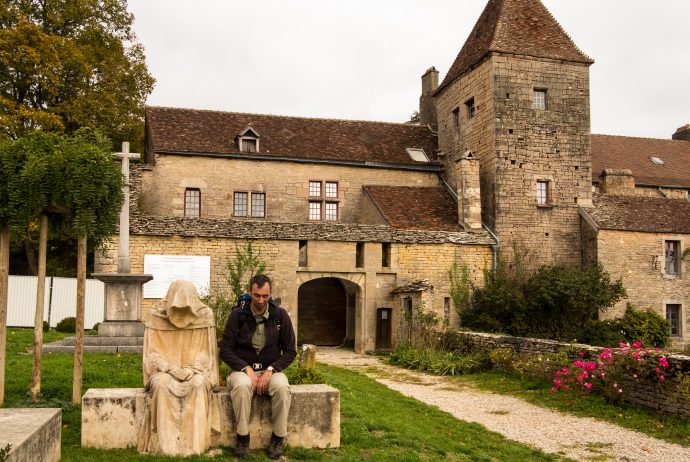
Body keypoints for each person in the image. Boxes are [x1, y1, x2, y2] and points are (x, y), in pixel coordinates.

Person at [137, 280, 220, 456]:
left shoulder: (205, 315)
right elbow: (151, 354)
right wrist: (169, 368)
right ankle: (166, 447)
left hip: (194, 372)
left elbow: (208, 353)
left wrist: (194, 369)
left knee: (198, 384)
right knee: (161, 384)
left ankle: (195, 446)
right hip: (165, 371)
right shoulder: (155, 316)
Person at [219, 274, 296, 459]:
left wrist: (271, 370)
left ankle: (278, 437)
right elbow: (225, 350)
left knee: (282, 387)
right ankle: (243, 437)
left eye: (265, 296)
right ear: (249, 293)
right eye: (256, 295)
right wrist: (246, 369)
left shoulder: (280, 316)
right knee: (243, 386)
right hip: (241, 370)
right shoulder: (237, 315)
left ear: (270, 294)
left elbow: (290, 351)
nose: (260, 300)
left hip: (271, 369)